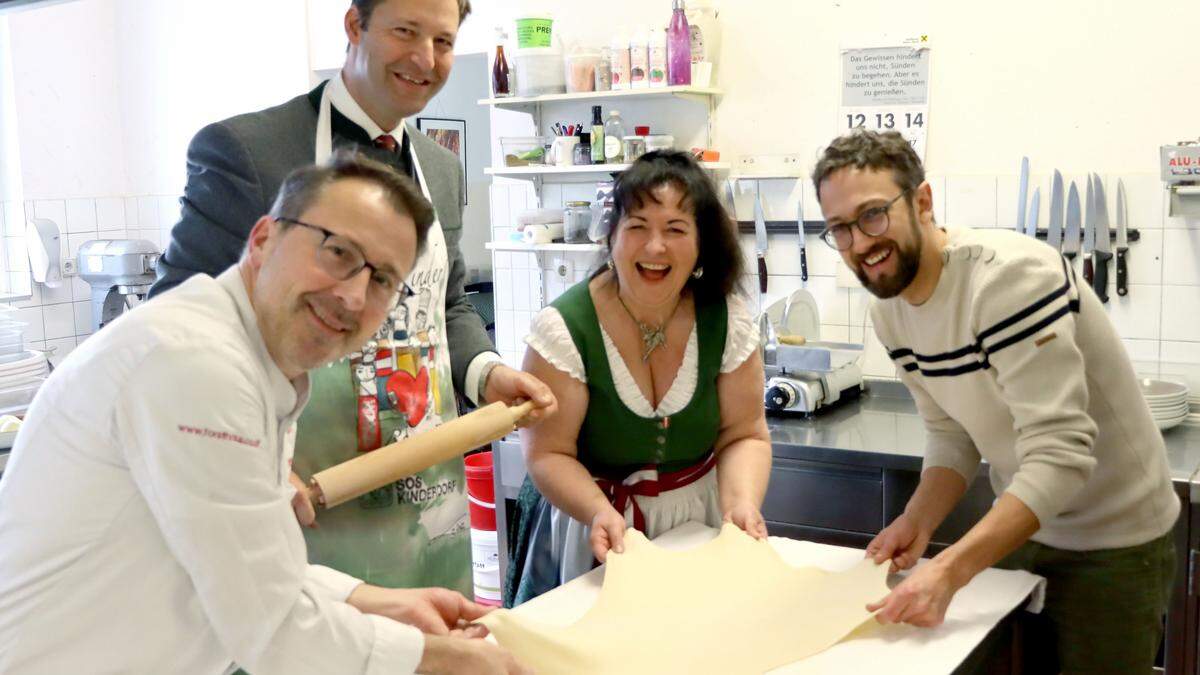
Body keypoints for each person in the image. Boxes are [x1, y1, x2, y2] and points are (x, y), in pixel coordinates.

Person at [0, 153, 528, 674]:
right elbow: (270, 628)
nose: (351, 295)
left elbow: (244, 562)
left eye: (383, 280)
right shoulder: (195, 363)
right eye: (338, 252)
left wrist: (373, 600)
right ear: (262, 239)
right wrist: (440, 660)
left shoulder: (263, 365)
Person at [150, 0, 555, 594]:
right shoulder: (249, 151)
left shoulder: (440, 168)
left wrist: (489, 375)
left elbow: (446, 305)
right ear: (353, 26)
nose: (425, 58)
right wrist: (241, 459)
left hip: (423, 504)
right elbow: (175, 325)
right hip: (299, 493)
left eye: (443, 42)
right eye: (405, 32)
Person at [812, 130, 1178, 673]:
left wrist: (952, 569)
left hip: (1116, 542)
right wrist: (918, 519)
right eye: (840, 229)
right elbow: (950, 434)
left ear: (922, 202)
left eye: (872, 215)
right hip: (1025, 525)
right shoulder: (889, 310)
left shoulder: (1007, 280)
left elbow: (1061, 453)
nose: (860, 243)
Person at [504, 151, 773, 606]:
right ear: (611, 238)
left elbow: (744, 434)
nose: (654, 247)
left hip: (697, 526)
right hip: (591, 531)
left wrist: (741, 504)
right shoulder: (565, 328)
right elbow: (548, 453)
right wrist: (597, 512)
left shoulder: (726, 319)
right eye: (637, 226)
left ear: (701, 244)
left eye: (675, 229)